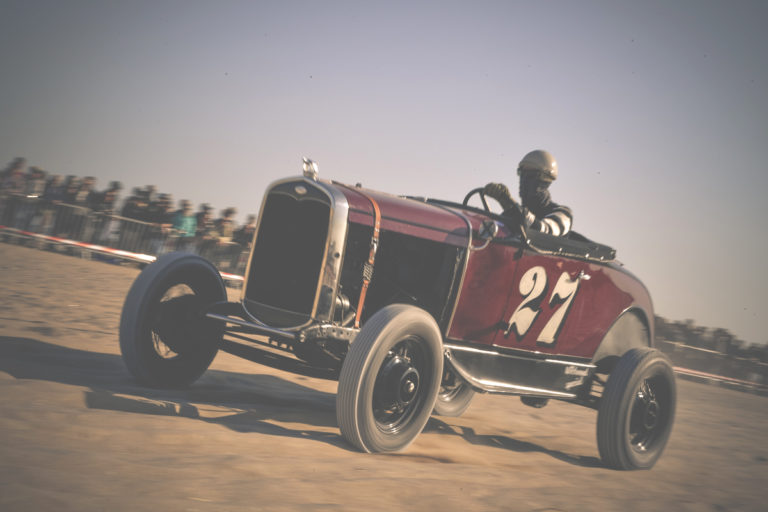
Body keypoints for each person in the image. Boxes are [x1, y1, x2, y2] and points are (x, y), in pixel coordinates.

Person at [483, 149, 573, 237]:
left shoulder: (563, 213)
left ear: (546, 179)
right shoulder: (512, 214)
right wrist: (509, 208)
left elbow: (544, 230)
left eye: (531, 175)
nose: (524, 180)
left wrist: (514, 209)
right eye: (522, 174)